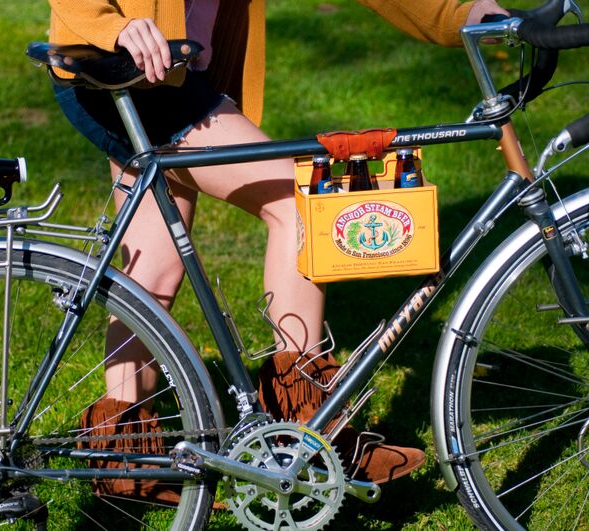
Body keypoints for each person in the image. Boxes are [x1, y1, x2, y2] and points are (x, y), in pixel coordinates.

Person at [49, 0, 508, 501]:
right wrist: (115, 27)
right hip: (125, 65)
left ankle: (124, 454)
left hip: (158, 77)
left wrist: (466, 11)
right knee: (298, 205)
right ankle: (309, 434)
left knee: (153, 270)